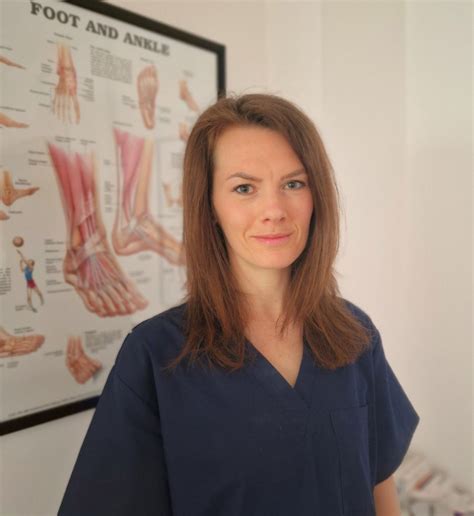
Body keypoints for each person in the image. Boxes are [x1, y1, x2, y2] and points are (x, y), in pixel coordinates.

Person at [58, 93, 420, 516]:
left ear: (316, 196)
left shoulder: (354, 334)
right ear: (210, 206)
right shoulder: (158, 356)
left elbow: (379, 483)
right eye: (244, 188)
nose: (274, 210)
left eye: (293, 184)